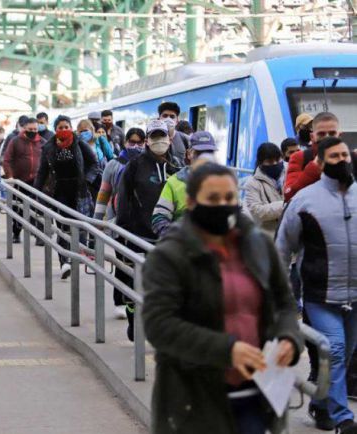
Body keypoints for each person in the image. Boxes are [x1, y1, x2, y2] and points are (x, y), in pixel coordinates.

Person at [143, 162, 301, 434]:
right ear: (192, 203)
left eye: (229, 198)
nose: (222, 205)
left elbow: (284, 302)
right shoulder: (170, 255)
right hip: (194, 402)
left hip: (256, 397)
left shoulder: (259, 246)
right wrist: (227, 350)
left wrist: (289, 338)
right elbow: (160, 325)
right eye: (212, 199)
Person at [276, 136, 357, 433]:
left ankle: (320, 403)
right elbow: (283, 247)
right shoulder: (305, 200)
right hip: (320, 295)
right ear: (320, 163)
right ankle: (343, 419)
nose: (342, 160)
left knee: (343, 355)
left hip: (355, 295)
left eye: (344, 155)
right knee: (334, 350)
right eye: (334, 156)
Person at [115, 119, 180, 339]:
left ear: (169, 139)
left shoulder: (176, 166)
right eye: (154, 137)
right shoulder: (135, 166)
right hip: (137, 233)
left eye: (162, 136)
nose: (159, 141)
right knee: (136, 282)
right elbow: (122, 198)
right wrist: (123, 231)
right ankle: (133, 319)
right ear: (147, 141)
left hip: (167, 236)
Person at [33, 115, 101, 279]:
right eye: (60, 128)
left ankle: (77, 256)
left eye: (66, 127)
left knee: (79, 225)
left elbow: (94, 163)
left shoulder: (79, 143)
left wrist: (87, 179)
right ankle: (64, 262)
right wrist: (36, 192)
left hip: (79, 190)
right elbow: (42, 172)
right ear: (55, 130)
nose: (63, 130)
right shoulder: (49, 147)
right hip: (59, 191)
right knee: (63, 226)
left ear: (70, 128)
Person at [93, 127, 146, 319]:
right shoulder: (113, 165)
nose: (136, 146)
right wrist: (97, 221)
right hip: (119, 223)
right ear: (125, 143)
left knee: (139, 265)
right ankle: (120, 301)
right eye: (132, 142)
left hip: (143, 225)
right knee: (123, 265)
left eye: (140, 142)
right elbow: (103, 193)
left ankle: (134, 302)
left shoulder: (148, 165)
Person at [151, 131, 217, 238]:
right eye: (199, 154)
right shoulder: (174, 183)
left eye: (209, 154)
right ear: (189, 154)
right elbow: (158, 219)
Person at [3, 117, 43, 244]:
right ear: (24, 129)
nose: (33, 131)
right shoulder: (15, 141)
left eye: (35, 129)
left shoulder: (42, 142)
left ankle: (39, 235)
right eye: (30, 129)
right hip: (19, 181)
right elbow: (7, 160)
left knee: (38, 209)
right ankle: (16, 232)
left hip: (37, 182)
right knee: (18, 208)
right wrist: (10, 176)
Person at [284, 111, 340, 202]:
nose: (327, 137)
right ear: (312, 136)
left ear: (339, 135)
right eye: (321, 134)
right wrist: (314, 167)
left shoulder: (349, 159)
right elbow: (289, 195)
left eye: (332, 133)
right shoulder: (299, 157)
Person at [243, 142, 285, 236]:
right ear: (261, 162)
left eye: (278, 160)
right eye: (270, 161)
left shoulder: (290, 175)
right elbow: (257, 212)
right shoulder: (252, 183)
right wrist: (285, 205)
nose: (275, 164)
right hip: (269, 237)